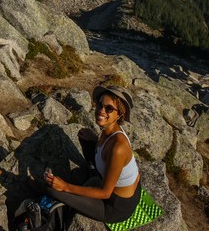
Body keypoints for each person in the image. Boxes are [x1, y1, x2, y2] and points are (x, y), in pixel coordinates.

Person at [43, 85, 141, 225]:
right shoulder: (109, 131)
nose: (101, 110)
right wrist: (95, 140)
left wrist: (65, 186)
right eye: (100, 104)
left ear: (119, 114)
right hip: (121, 188)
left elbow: (105, 193)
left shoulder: (118, 148)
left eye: (109, 108)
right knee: (85, 137)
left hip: (115, 206)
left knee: (51, 190)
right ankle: (93, 175)